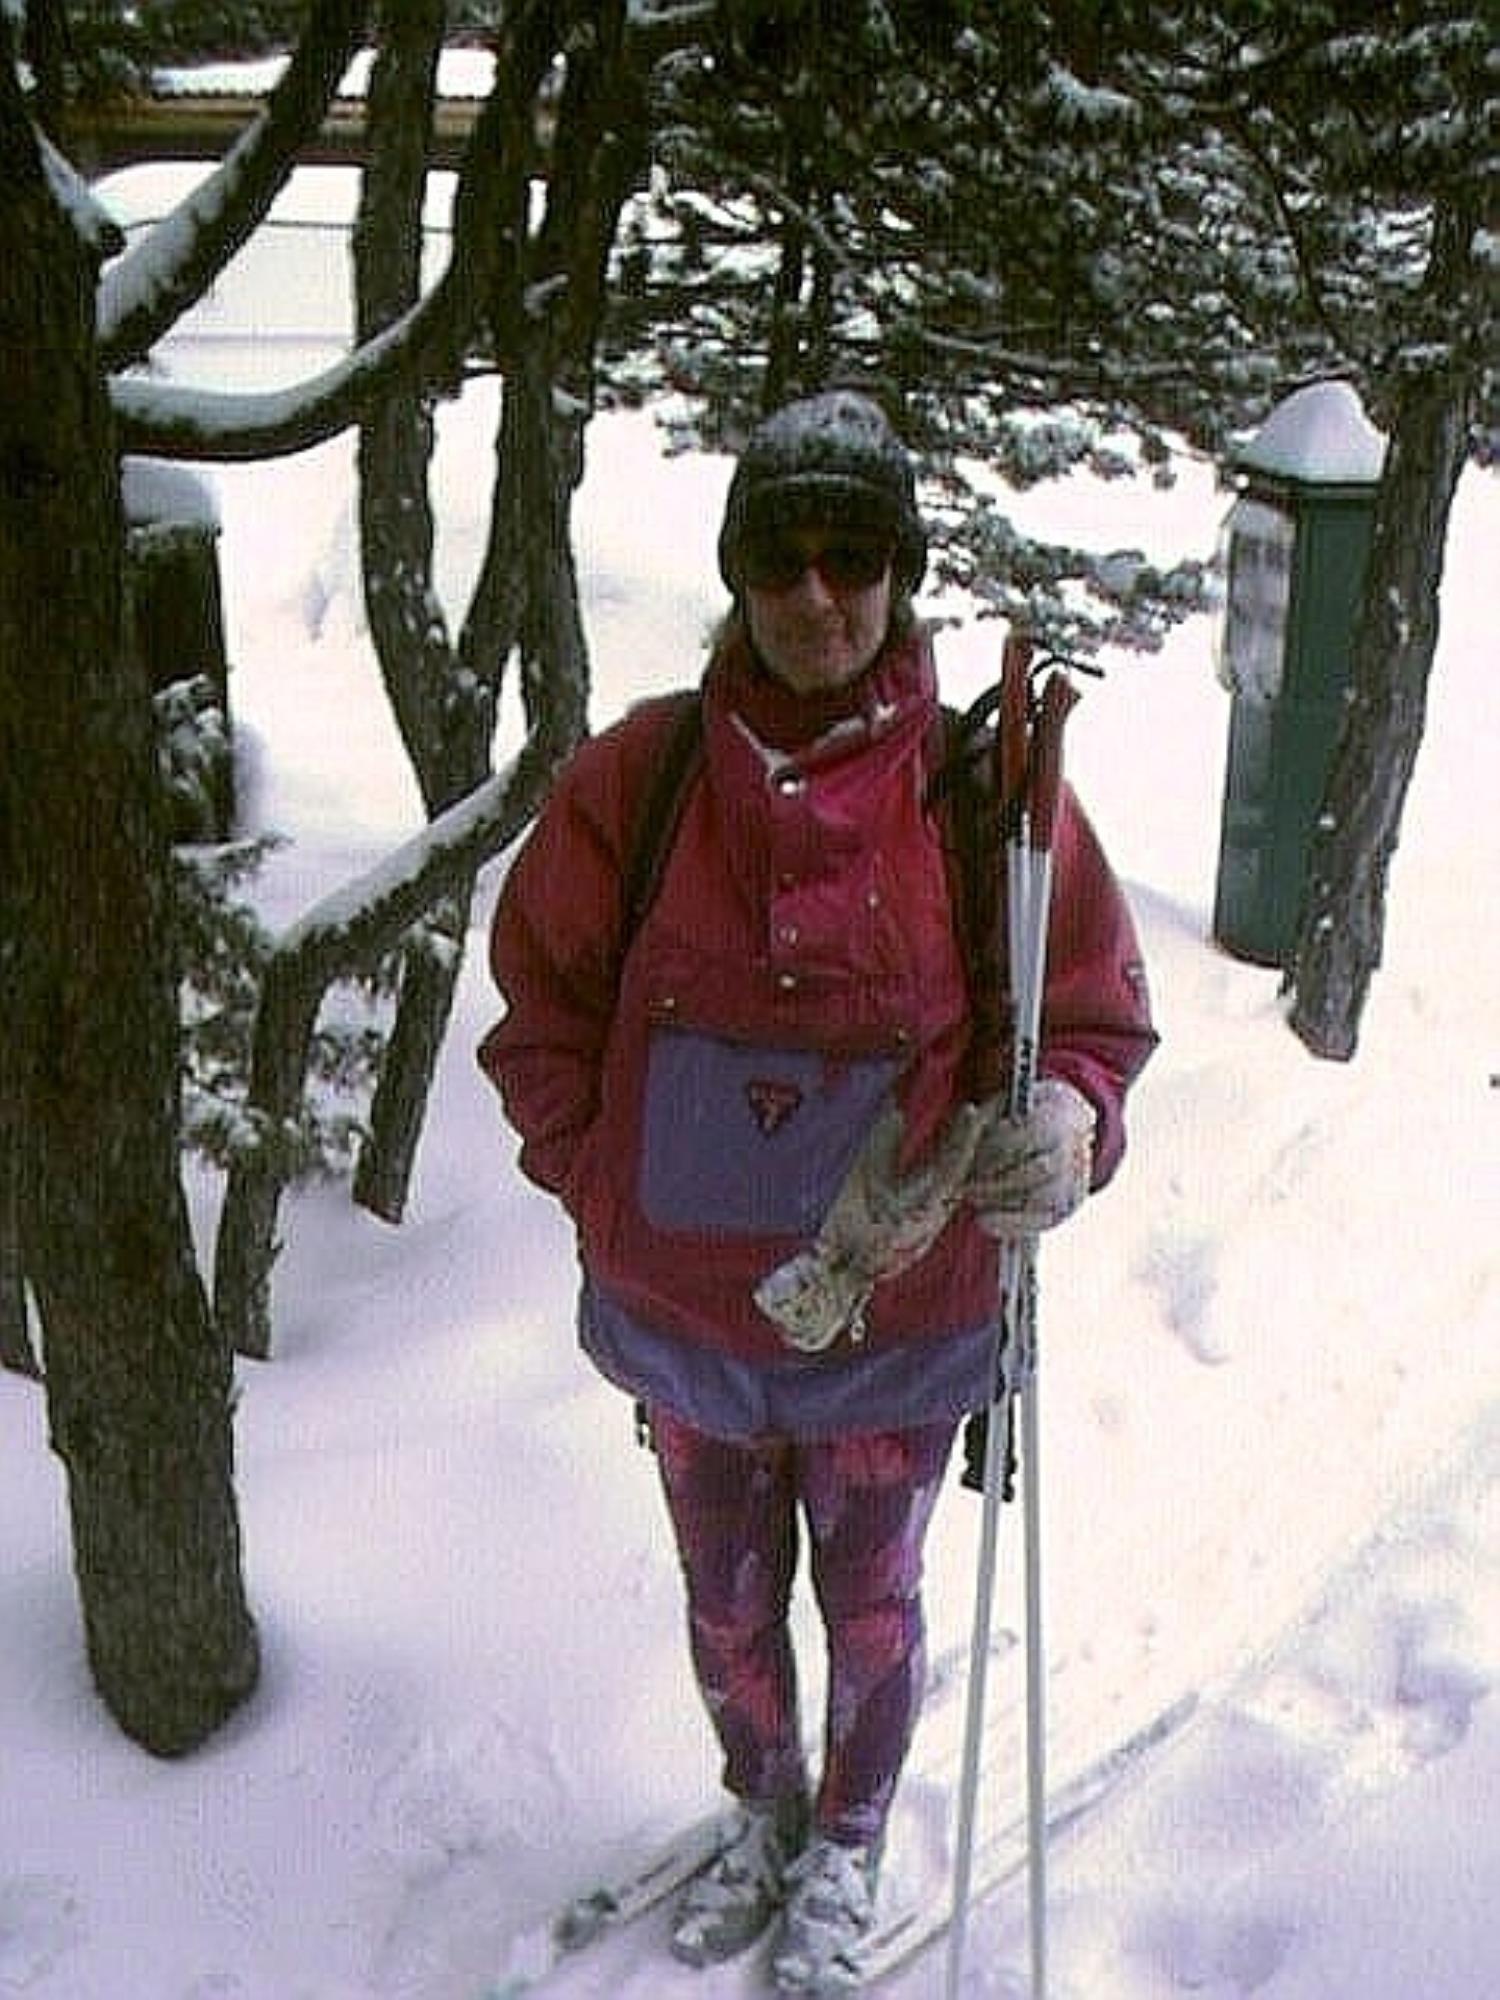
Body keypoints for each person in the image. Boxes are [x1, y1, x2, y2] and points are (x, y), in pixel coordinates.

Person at [479, 389, 1156, 1995]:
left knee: (870, 1602)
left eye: (854, 555)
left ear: (900, 574)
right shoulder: (640, 781)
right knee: (726, 1610)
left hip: (897, 1330)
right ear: (735, 573)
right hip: (691, 1333)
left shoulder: (985, 796)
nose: (816, 594)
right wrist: (605, 1188)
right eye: (779, 557)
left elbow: (1090, 1014)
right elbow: (539, 1019)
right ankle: (760, 1806)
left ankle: (846, 1838)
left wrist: (1070, 1119)